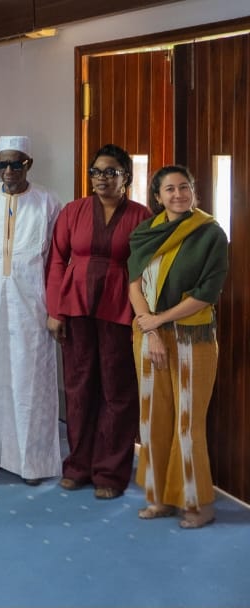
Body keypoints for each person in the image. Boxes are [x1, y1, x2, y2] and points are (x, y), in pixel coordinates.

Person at [46, 145, 151, 500]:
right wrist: (55, 310)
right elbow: (57, 260)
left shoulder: (141, 216)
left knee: (117, 392)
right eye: (96, 172)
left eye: (111, 172)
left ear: (126, 177)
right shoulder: (73, 211)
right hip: (76, 307)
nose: (102, 178)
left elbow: (147, 268)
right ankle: (78, 466)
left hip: (120, 310)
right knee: (79, 388)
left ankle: (110, 472)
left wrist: (143, 316)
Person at [128, 165, 228, 529]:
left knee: (187, 422)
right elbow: (134, 284)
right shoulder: (146, 232)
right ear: (157, 197)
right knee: (154, 417)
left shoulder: (210, 233)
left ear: (193, 192)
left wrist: (160, 320)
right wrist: (151, 328)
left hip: (191, 336)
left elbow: (207, 293)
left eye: (184, 187)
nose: (178, 194)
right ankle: (160, 498)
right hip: (149, 336)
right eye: (169, 189)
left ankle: (197, 503)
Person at [0, 135, 62, 485]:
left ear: (28, 164)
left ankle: (32, 463)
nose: (7, 170)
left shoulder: (48, 201)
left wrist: (55, 309)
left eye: (15, 164)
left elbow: (56, 259)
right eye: (2, 164)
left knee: (28, 381)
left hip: (31, 306)